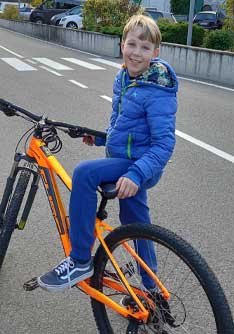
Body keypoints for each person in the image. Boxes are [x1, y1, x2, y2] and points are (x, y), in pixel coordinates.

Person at [37, 15, 178, 292]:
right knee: (136, 224)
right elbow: (122, 126)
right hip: (126, 160)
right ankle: (152, 290)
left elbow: (163, 145)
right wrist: (102, 138)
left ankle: (79, 260)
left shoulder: (158, 90)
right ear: (122, 44)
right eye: (132, 44)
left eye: (145, 48)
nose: (137, 53)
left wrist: (136, 174)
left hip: (140, 165)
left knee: (84, 173)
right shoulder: (123, 77)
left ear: (156, 53)